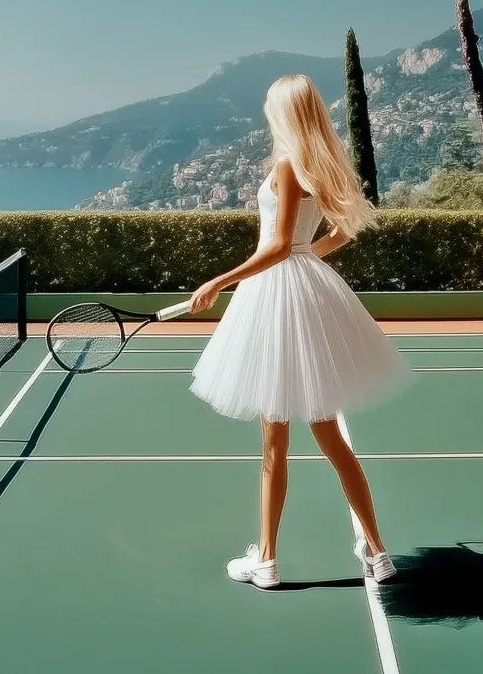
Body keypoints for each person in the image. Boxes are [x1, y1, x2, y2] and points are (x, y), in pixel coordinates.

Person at [188, 74, 413, 590]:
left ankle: (265, 561)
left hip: (274, 299)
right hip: (303, 294)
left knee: (274, 442)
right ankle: (378, 554)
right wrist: (308, 256)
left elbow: (280, 246)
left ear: (283, 112)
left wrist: (219, 281)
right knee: (330, 436)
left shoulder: (290, 168)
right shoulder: (318, 166)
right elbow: (334, 234)